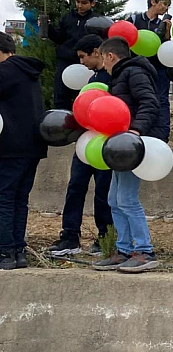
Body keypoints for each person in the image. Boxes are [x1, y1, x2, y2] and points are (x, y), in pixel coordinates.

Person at [92, 37, 165, 273]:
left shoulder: (134, 73)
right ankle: (124, 250)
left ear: (110, 56)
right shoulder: (122, 76)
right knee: (114, 199)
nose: (103, 65)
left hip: (131, 145)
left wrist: (135, 131)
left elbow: (150, 103)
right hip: (121, 145)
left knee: (127, 199)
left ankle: (144, 251)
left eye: (103, 58)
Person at [47, 35, 113, 256]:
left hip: (103, 144)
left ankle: (105, 237)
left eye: (83, 57)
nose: (81, 62)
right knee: (75, 187)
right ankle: (70, 236)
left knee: (103, 192)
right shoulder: (91, 78)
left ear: (96, 52)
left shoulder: (113, 77)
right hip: (85, 141)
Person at [0, 32, 47, 270]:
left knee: (4, 198)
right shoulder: (28, 71)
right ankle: (18, 251)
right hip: (33, 145)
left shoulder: (5, 71)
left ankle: (5, 251)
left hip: (9, 145)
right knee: (20, 199)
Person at [128, 0, 173, 142]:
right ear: (153, 2)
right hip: (137, 67)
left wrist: (167, 32)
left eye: (167, 6)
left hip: (158, 68)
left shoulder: (162, 23)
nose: (166, 8)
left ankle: (162, 132)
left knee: (161, 99)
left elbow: (166, 48)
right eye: (164, 4)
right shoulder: (134, 19)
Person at [47, 0, 97, 110]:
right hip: (65, 62)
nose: (80, 6)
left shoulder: (95, 21)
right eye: (77, 1)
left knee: (83, 97)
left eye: (84, 3)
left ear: (92, 3)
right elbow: (59, 38)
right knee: (60, 96)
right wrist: (48, 28)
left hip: (85, 64)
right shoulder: (67, 17)